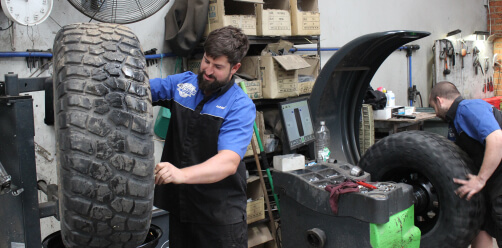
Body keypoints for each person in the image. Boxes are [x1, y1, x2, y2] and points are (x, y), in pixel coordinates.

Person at [149, 26, 255, 248]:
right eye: (207, 61)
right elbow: (141, 90)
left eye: (218, 67)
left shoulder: (239, 106)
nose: (207, 70)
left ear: (235, 68)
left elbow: (227, 162)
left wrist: (180, 173)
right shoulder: (184, 84)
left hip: (219, 219)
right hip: (182, 211)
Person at [429, 81, 502, 247]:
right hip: (492, 177)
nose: (435, 113)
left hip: (497, 176)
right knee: (482, 224)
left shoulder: (468, 108)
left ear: (439, 101)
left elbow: (497, 140)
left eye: (433, 106)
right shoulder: (454, 122)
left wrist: (480, 179)